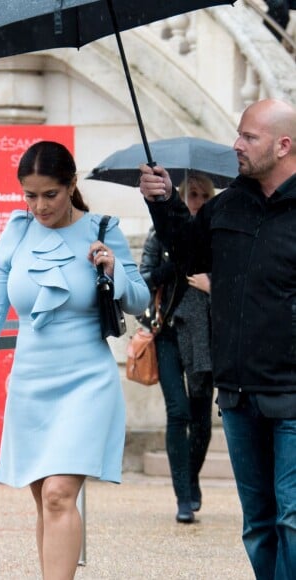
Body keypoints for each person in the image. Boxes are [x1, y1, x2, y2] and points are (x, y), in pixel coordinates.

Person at [0, 141, 149, 580]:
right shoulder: (16, 231)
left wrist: (113, 271)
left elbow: (140, 299)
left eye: (49, 194)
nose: (39, 206)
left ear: (71, 185)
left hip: (87, 382)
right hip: (31, 385)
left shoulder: (102, 228)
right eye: (29, 195)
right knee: (45, 502)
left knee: (57, 495)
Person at [139, 99, 296, 580]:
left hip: (293, 394)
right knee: (259, 526)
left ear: (283, 145)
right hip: (238, 392)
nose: (236, 145)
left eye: (249, 136)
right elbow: (186, 256)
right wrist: (163, 202)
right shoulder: (227, 205)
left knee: (293, 520)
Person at [139, 173, 215, 524]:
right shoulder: (160, 235)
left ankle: (192, 477)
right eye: (191, 194)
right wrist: (171, 267)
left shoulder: (218, 237)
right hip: (168, 331)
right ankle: (183, 497)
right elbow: (142, 279)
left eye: (202, 195)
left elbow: (236, 285)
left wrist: (210, 284)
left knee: (201, 421)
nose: (196, 200)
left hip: (205, 337)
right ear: (181, 197)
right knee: (178, 412)